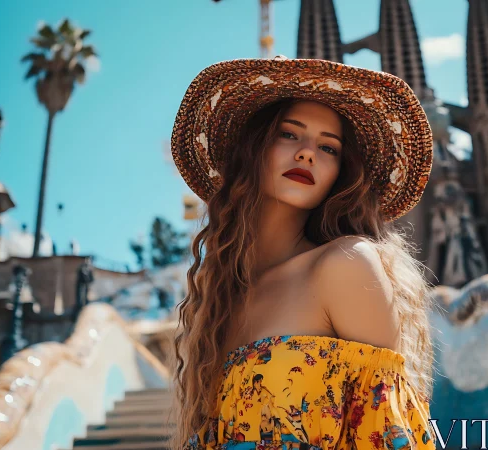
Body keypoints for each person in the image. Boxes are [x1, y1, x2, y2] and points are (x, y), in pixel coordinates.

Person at [169, 55, 437, 449]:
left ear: (340, 173)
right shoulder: (218, 305)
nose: (308, 153)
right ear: (251, 149)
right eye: (289, 134)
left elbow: (387, 434)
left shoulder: (344, 266)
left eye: (328, 148)